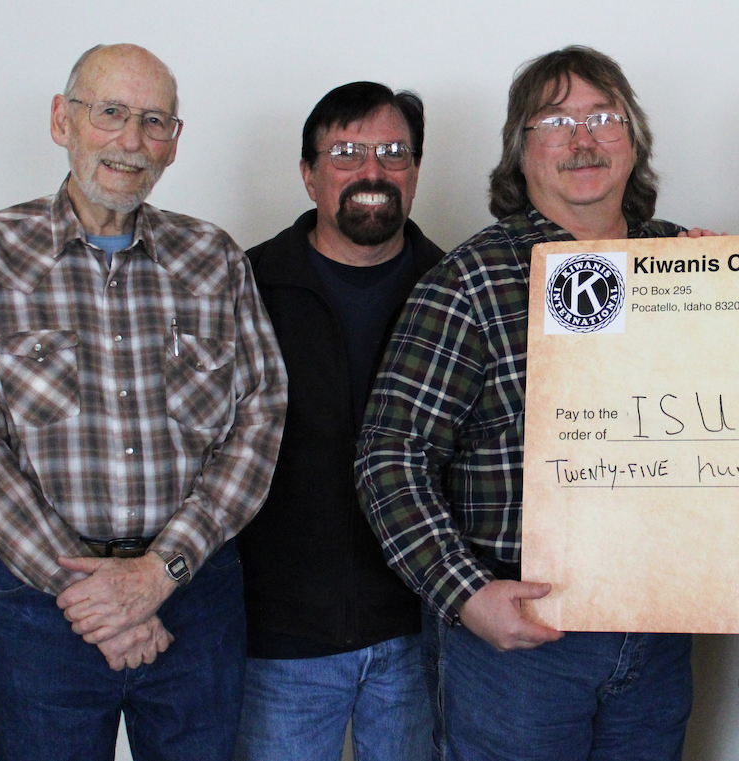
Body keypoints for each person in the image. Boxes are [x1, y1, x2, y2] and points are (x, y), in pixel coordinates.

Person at [356, 46, 712, 760]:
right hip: (517, 643)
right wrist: (466, 593)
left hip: (660, 631)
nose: (583, 140)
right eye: (554, 121)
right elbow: (389, 459)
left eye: (603, 117)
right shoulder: (469, 282)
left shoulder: (691, 263)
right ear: (521, 154)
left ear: (633, 139)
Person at [0, 44, 287, 760]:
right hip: (39, 612)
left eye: (154, 121)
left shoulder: (215, 259)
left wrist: (159, 574)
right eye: (111, 112)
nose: (132, 141)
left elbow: (260, 415)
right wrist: (95, 601)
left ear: (175, 142)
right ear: (63, 120)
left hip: (194, 600)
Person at [233, 82, 444, 761]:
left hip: (424, 633)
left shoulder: (457, 288)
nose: (373, 172)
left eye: (393, 152)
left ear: (414, 171)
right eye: (347, 152)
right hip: (278, 642)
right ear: (308, 174)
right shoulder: (243, 286)